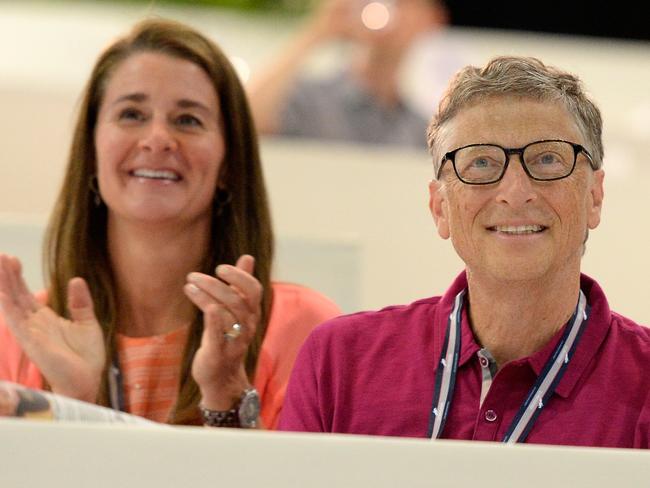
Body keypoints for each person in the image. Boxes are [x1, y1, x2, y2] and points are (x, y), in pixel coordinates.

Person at [279, 56, 650, 448]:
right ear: (440, 208)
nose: (515, 193)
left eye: (547, 159)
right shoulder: (339, 362)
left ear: (594, 196)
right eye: (482, 163)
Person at [0, 18, 340, 429]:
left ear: (230, 162)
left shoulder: (303, 328)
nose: (158, 138)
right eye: (131, 114)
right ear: (91, 151)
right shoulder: (24, 334)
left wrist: (227, 394)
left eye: (188, 120)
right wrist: (74, 404)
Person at [247, 0, 450, 147]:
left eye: (404, 3)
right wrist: (319, 31)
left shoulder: (419, 130)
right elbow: (244, 122)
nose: (390, 8)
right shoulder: (310, 99)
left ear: (432, 19)